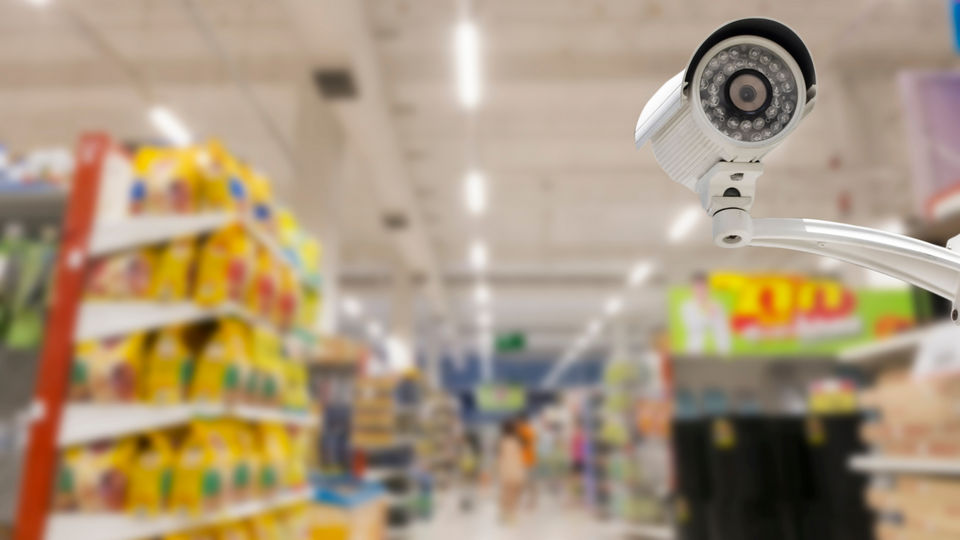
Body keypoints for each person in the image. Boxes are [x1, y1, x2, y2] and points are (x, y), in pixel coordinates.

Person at [497, 420, 526, 524]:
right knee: (514, 493)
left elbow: (500, 456)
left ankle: (505, 514)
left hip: (505, 469)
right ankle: (511, 514)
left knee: (506, 493)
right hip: (517, 469)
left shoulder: (502, 441)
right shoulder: (518, 440)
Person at [515, 415, 537, 507]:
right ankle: (528, 501)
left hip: (527, 460)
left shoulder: (524, 430)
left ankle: (530, 502)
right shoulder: (527, 430)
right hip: (524, 460)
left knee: (528, 482)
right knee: (525, 482)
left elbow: (525, 442)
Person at [457, 431, 480, 512]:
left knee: (467, 486)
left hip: (467, 469)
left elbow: (463, 458)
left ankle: (467, 502)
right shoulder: (473, 448)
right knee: (468, 486)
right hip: (468, 469)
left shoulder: (467, 447)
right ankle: (467, 502)